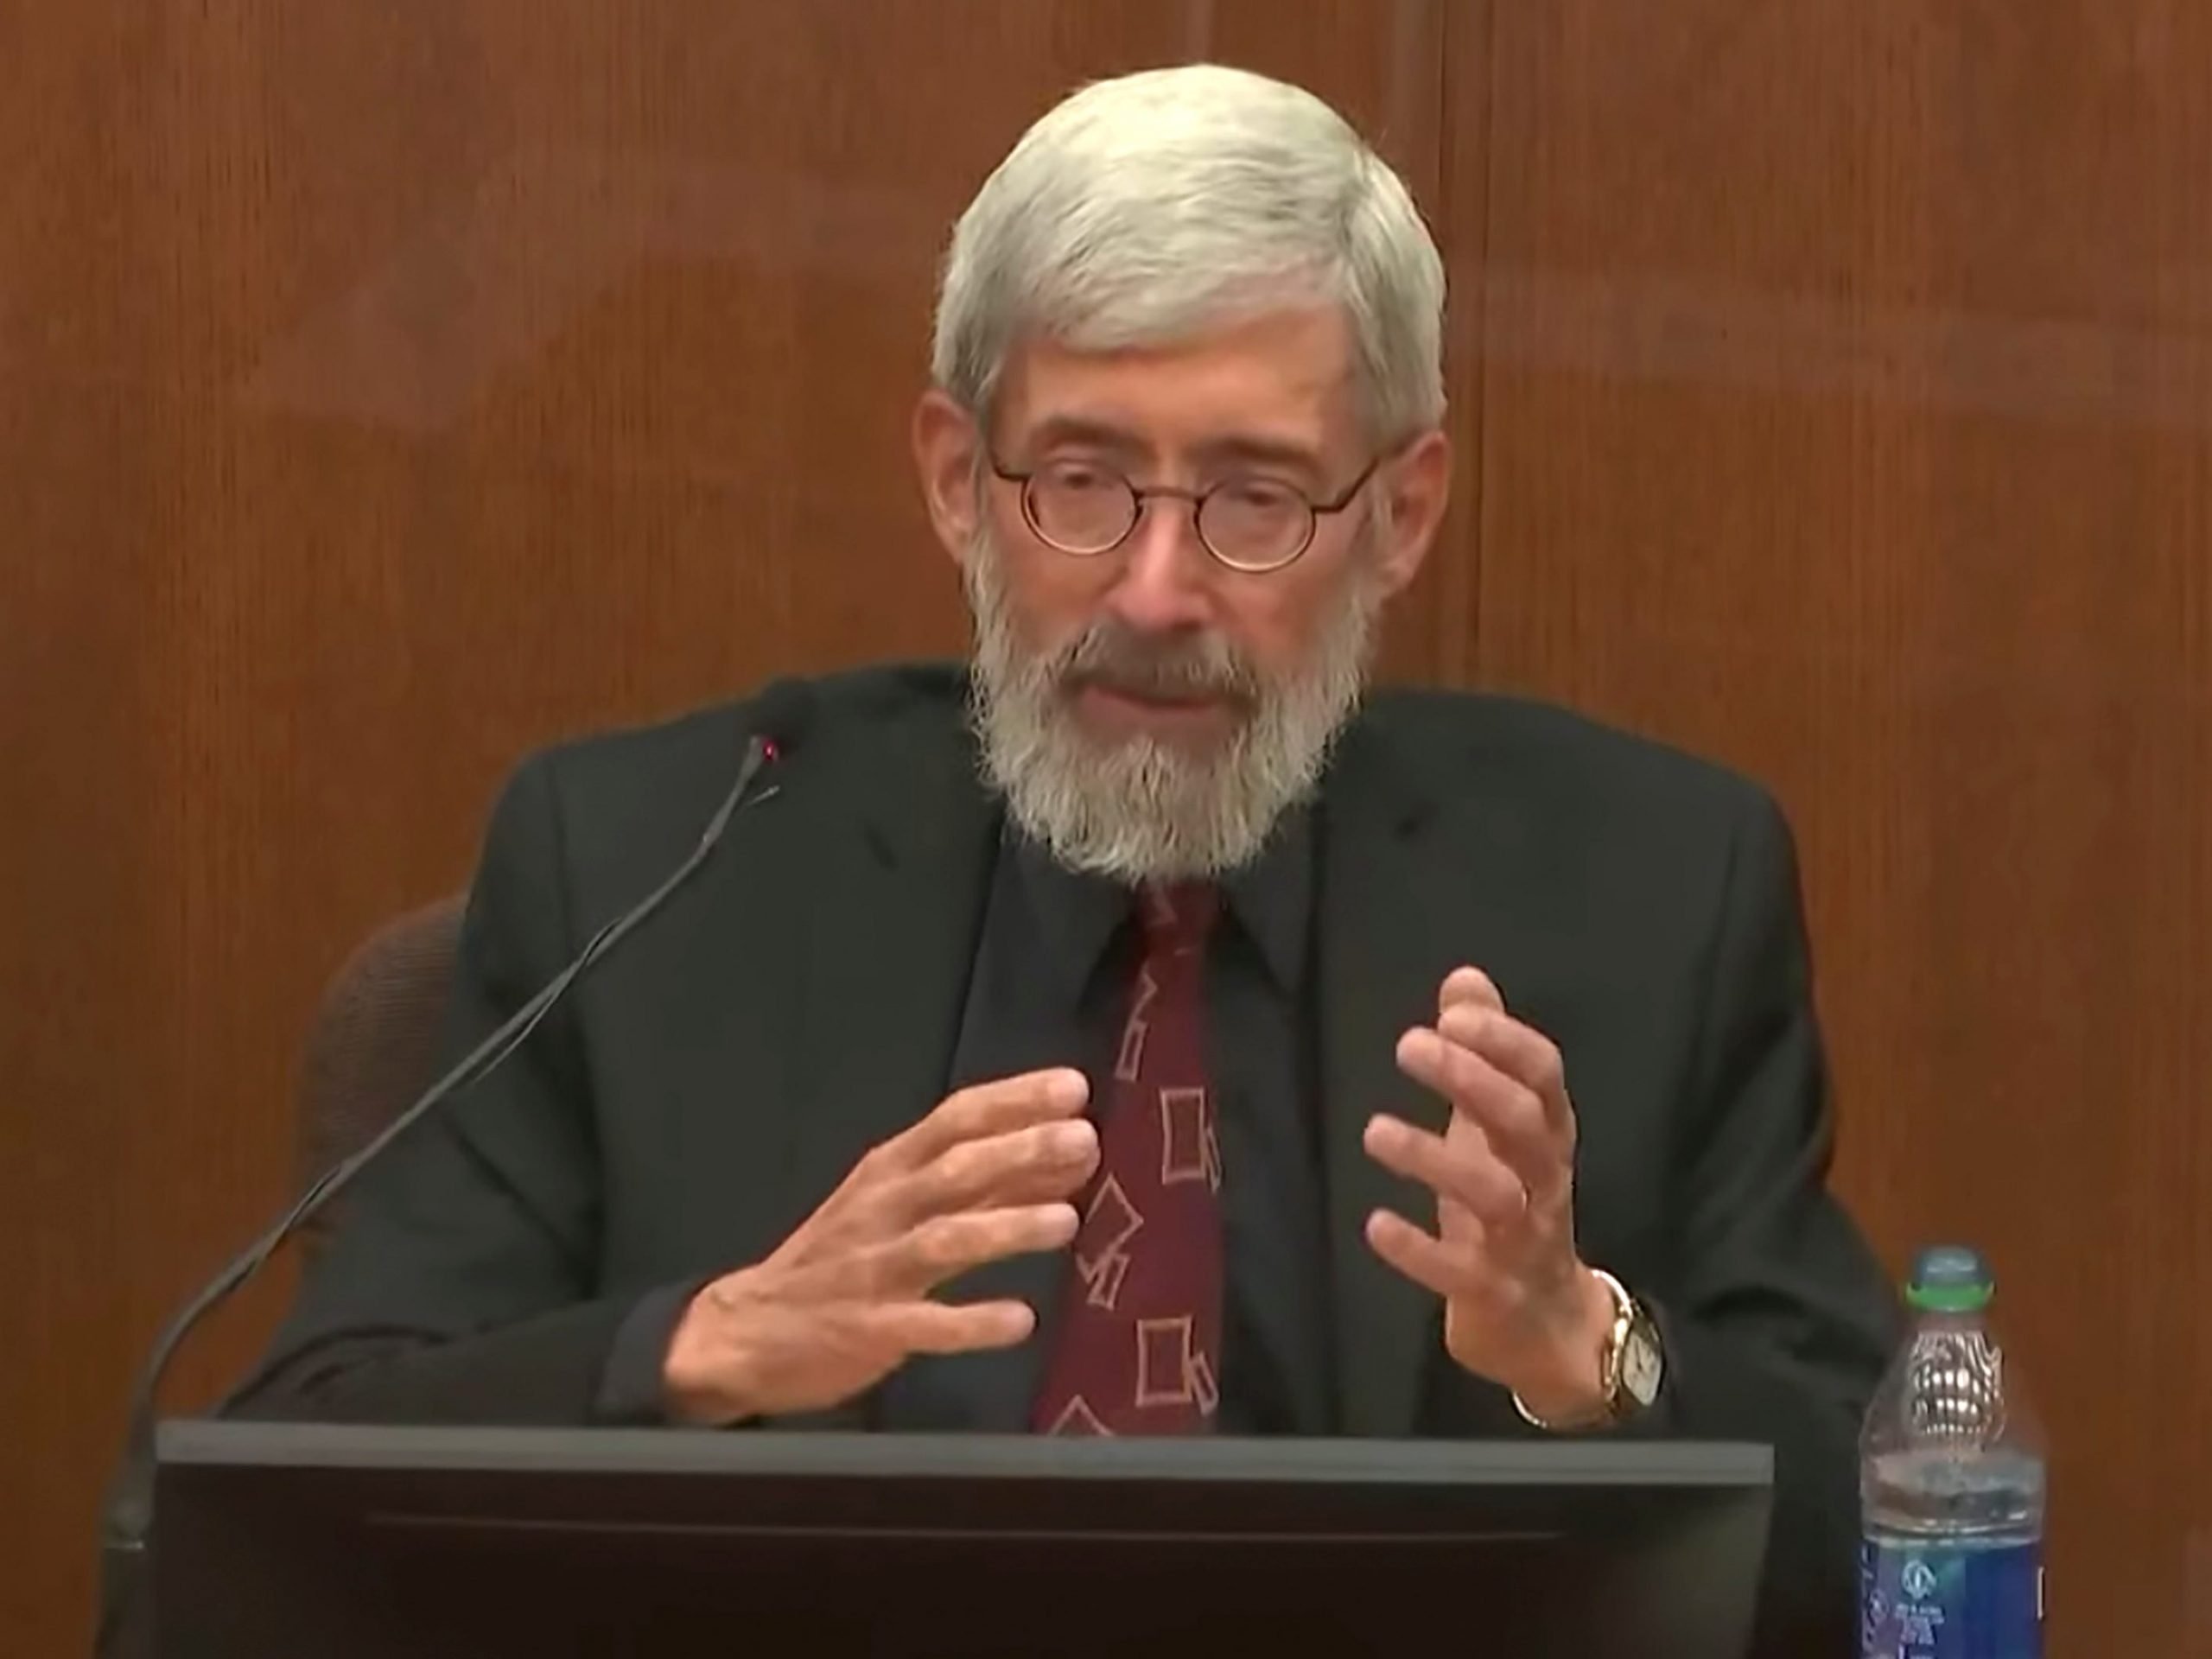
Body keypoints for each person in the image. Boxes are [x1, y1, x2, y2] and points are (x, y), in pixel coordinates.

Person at [233, 63, 1898, 1650]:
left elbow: (1920, 1564)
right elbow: (283, 1495)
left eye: (1255, 499)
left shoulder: (1654, 895)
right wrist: (707, 1343)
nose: (1158, 591)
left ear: (1400, 516)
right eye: (1083, 483)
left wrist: (1587, 1355)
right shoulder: (645, 869)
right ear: (961, 482)